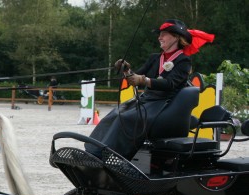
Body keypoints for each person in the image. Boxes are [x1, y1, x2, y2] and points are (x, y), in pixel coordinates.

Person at [86, 19, 214, 159]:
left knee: (127, 118)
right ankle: (93, 151)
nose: (159, 37)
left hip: (165, 105)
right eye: (160, 34)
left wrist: (144, 80)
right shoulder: (155, 58)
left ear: (176, 37)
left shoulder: (183, 61)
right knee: (115, 113)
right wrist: (127, 71)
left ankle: (109, 155)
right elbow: (137, 76)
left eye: (164, 34)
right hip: (146, 100)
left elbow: (170, 84)